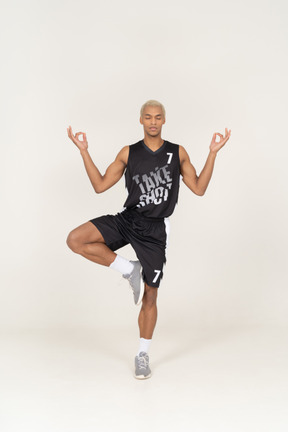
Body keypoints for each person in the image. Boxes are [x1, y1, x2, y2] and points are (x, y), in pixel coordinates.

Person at [66, 99, 231, 379]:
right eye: (148, 117)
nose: (153, 122)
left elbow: (200, 188)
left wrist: (212, 153)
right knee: (76, 240)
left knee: (151, 296)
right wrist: (84, 151)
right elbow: (100, 185)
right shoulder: (128, 153)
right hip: (129, 219)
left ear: (164, 120)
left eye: (158, 117)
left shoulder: (177, 153)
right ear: (141, 120)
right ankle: (129, 269)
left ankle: (142, 354)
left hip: (155, 231)